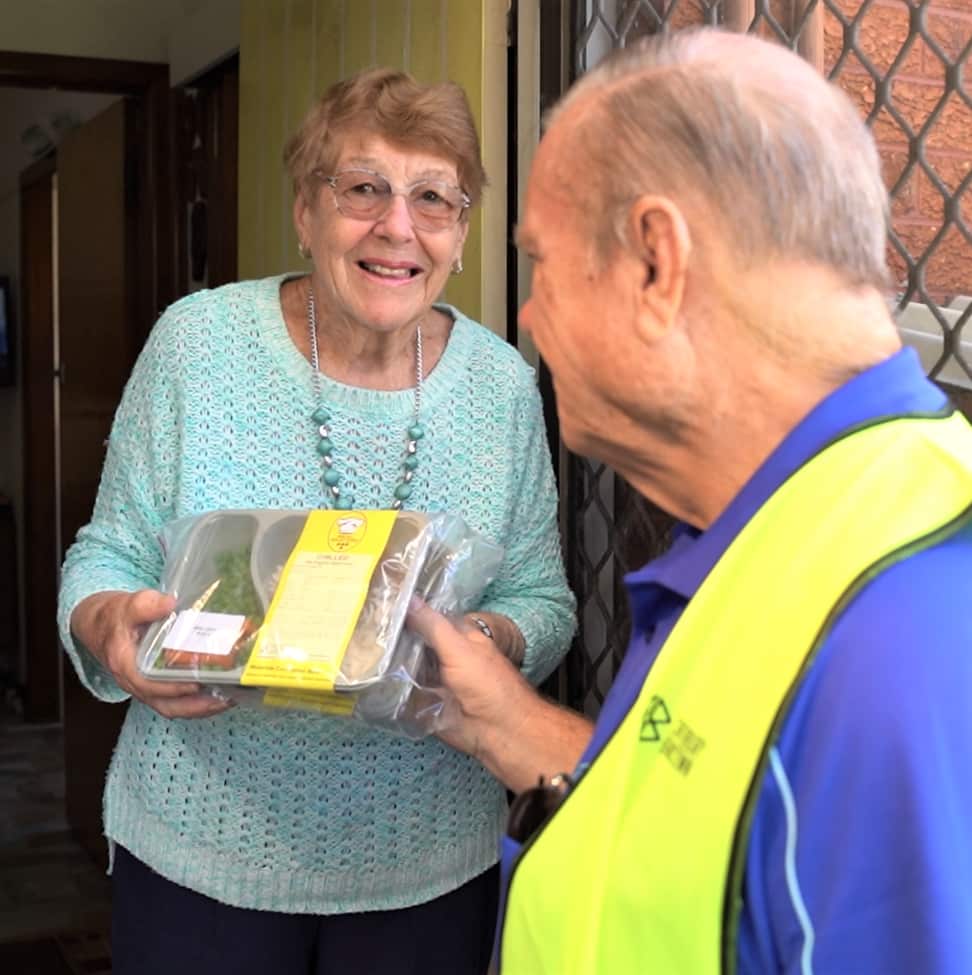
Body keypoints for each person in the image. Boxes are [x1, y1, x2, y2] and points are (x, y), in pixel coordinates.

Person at [407, 27, 972, 975]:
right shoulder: (789, 526)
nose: (528, 317)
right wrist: (512, 726)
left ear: (656, 265)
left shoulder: (898, 644)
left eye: (541, 263)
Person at [57, 68, 574, 975]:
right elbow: (109, 549)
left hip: (426, 874)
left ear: (461, 230)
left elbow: (543, 593)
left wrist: (468, 642)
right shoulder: (197, 345)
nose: (397, 227)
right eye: (364, 188)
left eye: (434, 199)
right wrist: (110, 630)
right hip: (199, 857)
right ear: (305, 209)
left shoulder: (500, 387)